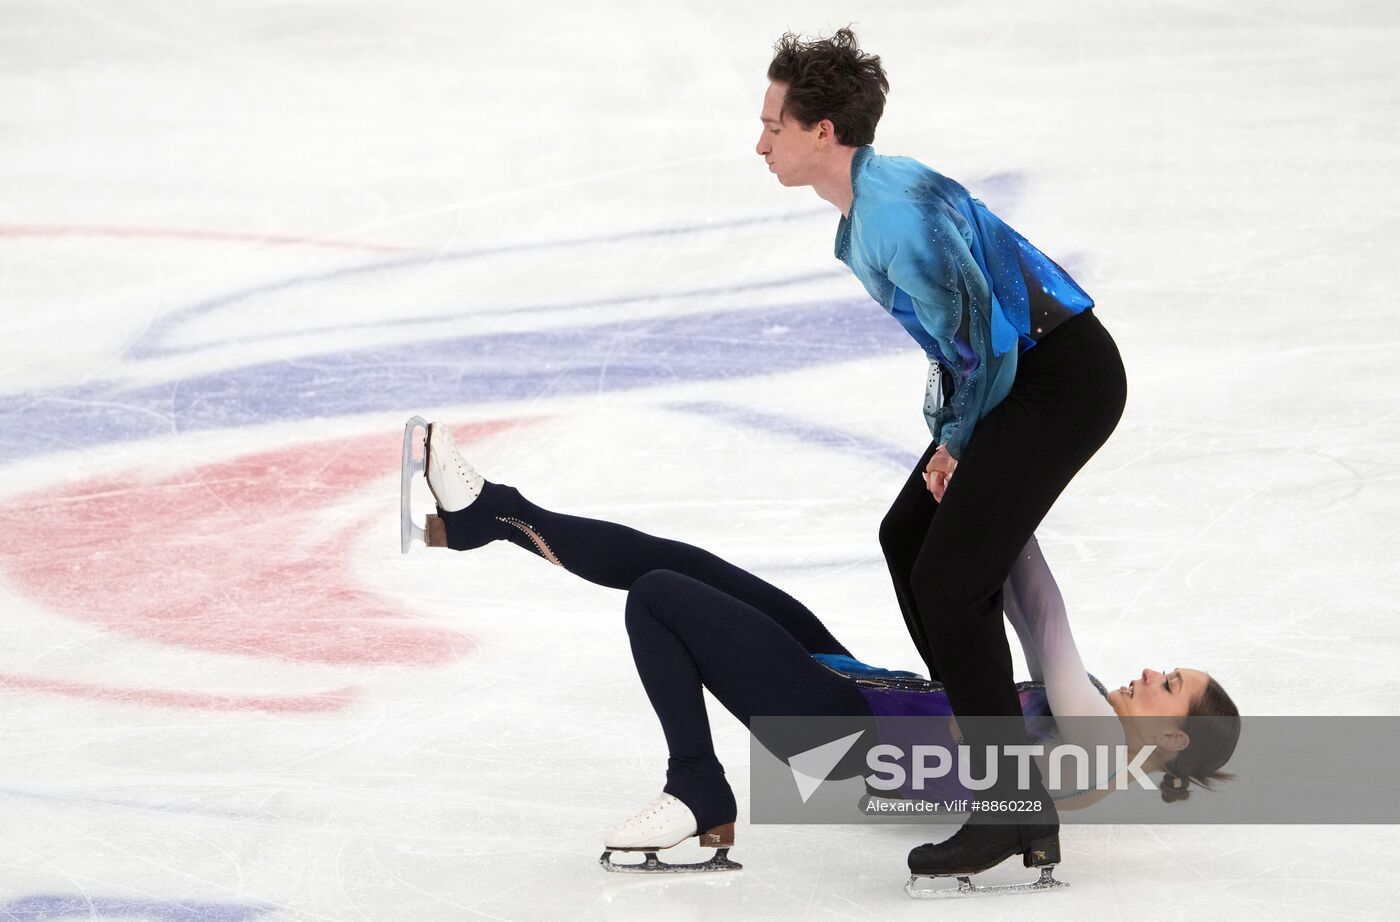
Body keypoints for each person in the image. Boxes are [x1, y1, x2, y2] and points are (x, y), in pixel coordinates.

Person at [413, 422, 1238, 874]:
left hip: (846, 736)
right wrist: (985, 507)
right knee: (682, 566)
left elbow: (1044, 622)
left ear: (1172, 738)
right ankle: (491, 514)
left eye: (1168, 684)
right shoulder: (1088, 709)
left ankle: (696, 789)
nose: (1148, 673)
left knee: (662, 598)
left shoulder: (1095, 751)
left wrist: (997, 498)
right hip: (865, 688)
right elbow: (1021, 607)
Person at [755, 28, 1131, 878]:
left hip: (1056, 379)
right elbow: (965, 346)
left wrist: (958, 442)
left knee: (949, 578)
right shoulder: (871, 202)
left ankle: (1007, 803)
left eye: (775, 124)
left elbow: (991, 345)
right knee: (910, 540)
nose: (761, 142)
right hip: (1015, 375)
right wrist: (954, 435)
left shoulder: (892, 213)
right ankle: (990, 736)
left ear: (823, 132)